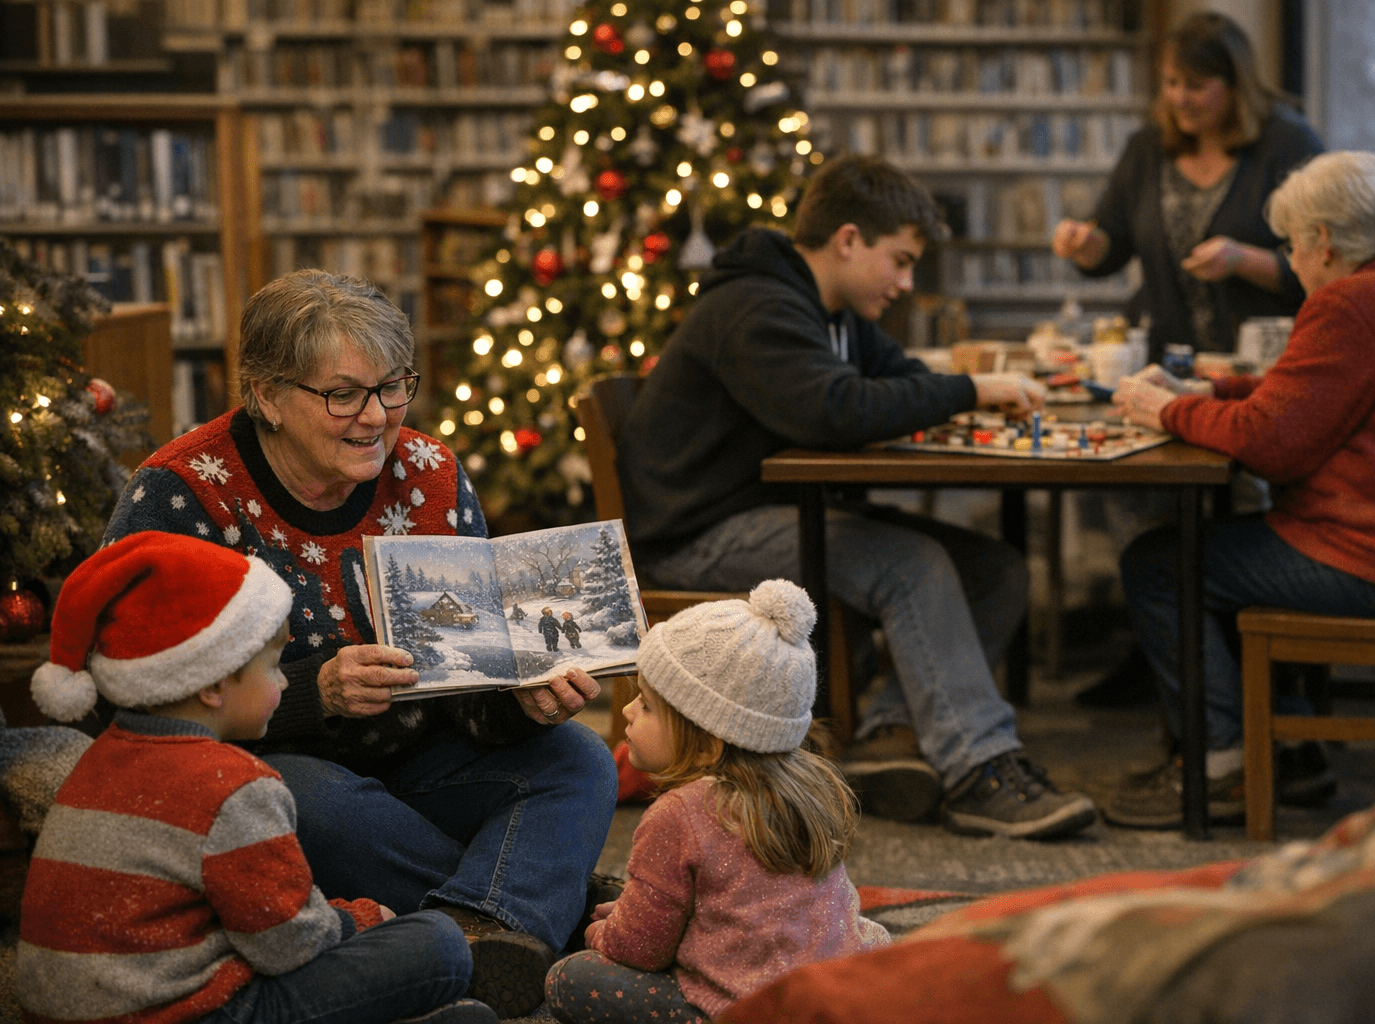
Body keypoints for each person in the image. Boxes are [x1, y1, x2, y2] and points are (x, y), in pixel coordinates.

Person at [99, 270, 618, 1018]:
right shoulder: (184, 492)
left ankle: (480, 934)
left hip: (425, 760)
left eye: (392, 387)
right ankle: (542, 912)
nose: (375, 417)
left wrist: (521, 701)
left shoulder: (431, 473)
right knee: (304, 801)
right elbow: (138, 709)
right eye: (343, 394)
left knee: (579, 759)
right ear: (268, 396)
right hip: (270, 775)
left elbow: (469, 689)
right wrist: (315, 694)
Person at [620, 153, 1096, 839]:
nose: (905, 282)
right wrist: (968, 390)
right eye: (899, 261)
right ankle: (980, 770)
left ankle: (890, 738)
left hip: (772, 514)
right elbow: (834, 410)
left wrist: (959, 396)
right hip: (699, 534)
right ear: (848, 241)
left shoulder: (829, 309)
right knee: (913, 563)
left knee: (996, 571)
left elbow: (893, 376)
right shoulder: (759, 306)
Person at [1105, 150, 1375, 828]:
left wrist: (1165, 411)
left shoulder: (1350, 305)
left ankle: (1222, 762)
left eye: (1291, 244)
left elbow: (1271, 444)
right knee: (1225, 553)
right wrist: (1213, 391)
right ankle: (1288, 752)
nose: (1290, 260)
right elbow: (1308, 395)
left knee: (1161, 564)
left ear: (1322, 243)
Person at [20, 532, 498, 1024]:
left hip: (59, 1009)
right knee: (437, 942)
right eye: (272, 667)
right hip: (184, 1013)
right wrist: (359, 918)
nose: (286, 681)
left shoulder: (95, 759)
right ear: (211, 685)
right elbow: (290, 945)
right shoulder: (233, 784)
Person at [545, 581, 889, 1023]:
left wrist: (604, 934)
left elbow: (641, 951)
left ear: (708, 745)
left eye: (647, 706)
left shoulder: (679, 814)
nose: (628, 711)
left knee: (572, 978)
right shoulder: (812, 787)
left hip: (744, 1007)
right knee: (867, 932)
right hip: (825, 991)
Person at [1053, 11, 1324, 365]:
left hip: (1263, 365)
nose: (1179, 98)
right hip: (1165, 363)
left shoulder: (1288, 143)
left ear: (1234, 85)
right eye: (1170, 82)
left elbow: (1326, 262)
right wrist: (1086, 244)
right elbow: (1112, 242)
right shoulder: (1147, 147)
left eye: (1195, 85)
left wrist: (1241, 260)